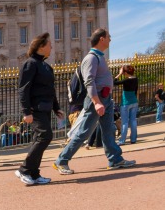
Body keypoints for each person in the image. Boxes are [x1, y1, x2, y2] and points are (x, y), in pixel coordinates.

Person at [54, 29, 135, 174]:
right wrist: (97, 102)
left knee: (108, 130)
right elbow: (89, 82)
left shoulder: (99, 56)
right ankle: (62, 160)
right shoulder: (91, 58)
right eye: (108, 37)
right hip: (96, 99)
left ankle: (115, 159)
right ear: (102, 39)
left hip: (105, 98)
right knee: (84, 132)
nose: (110, 39)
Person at [15, 33, 64, 186]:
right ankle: (24, 169)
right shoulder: (30, 64)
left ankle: (34, 174)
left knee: (39, 138)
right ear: (41, 47)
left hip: (46, 107)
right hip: (35, 108)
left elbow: (51, 90)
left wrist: (56, 108)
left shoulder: (47, 67)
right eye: (49, 45)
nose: (51, 47)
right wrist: (26, 112)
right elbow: (23, 89)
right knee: (45, 136)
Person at [115, 65, 138, 145]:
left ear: (125, 72)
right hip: (134, 101)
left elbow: (114, 82)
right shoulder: (136, 79)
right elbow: (136, 90)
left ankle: (122, 140)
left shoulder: (126, 80)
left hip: (125, 103)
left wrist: (119, 74)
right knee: (133, 120)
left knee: (124, 122)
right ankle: (133, 139)